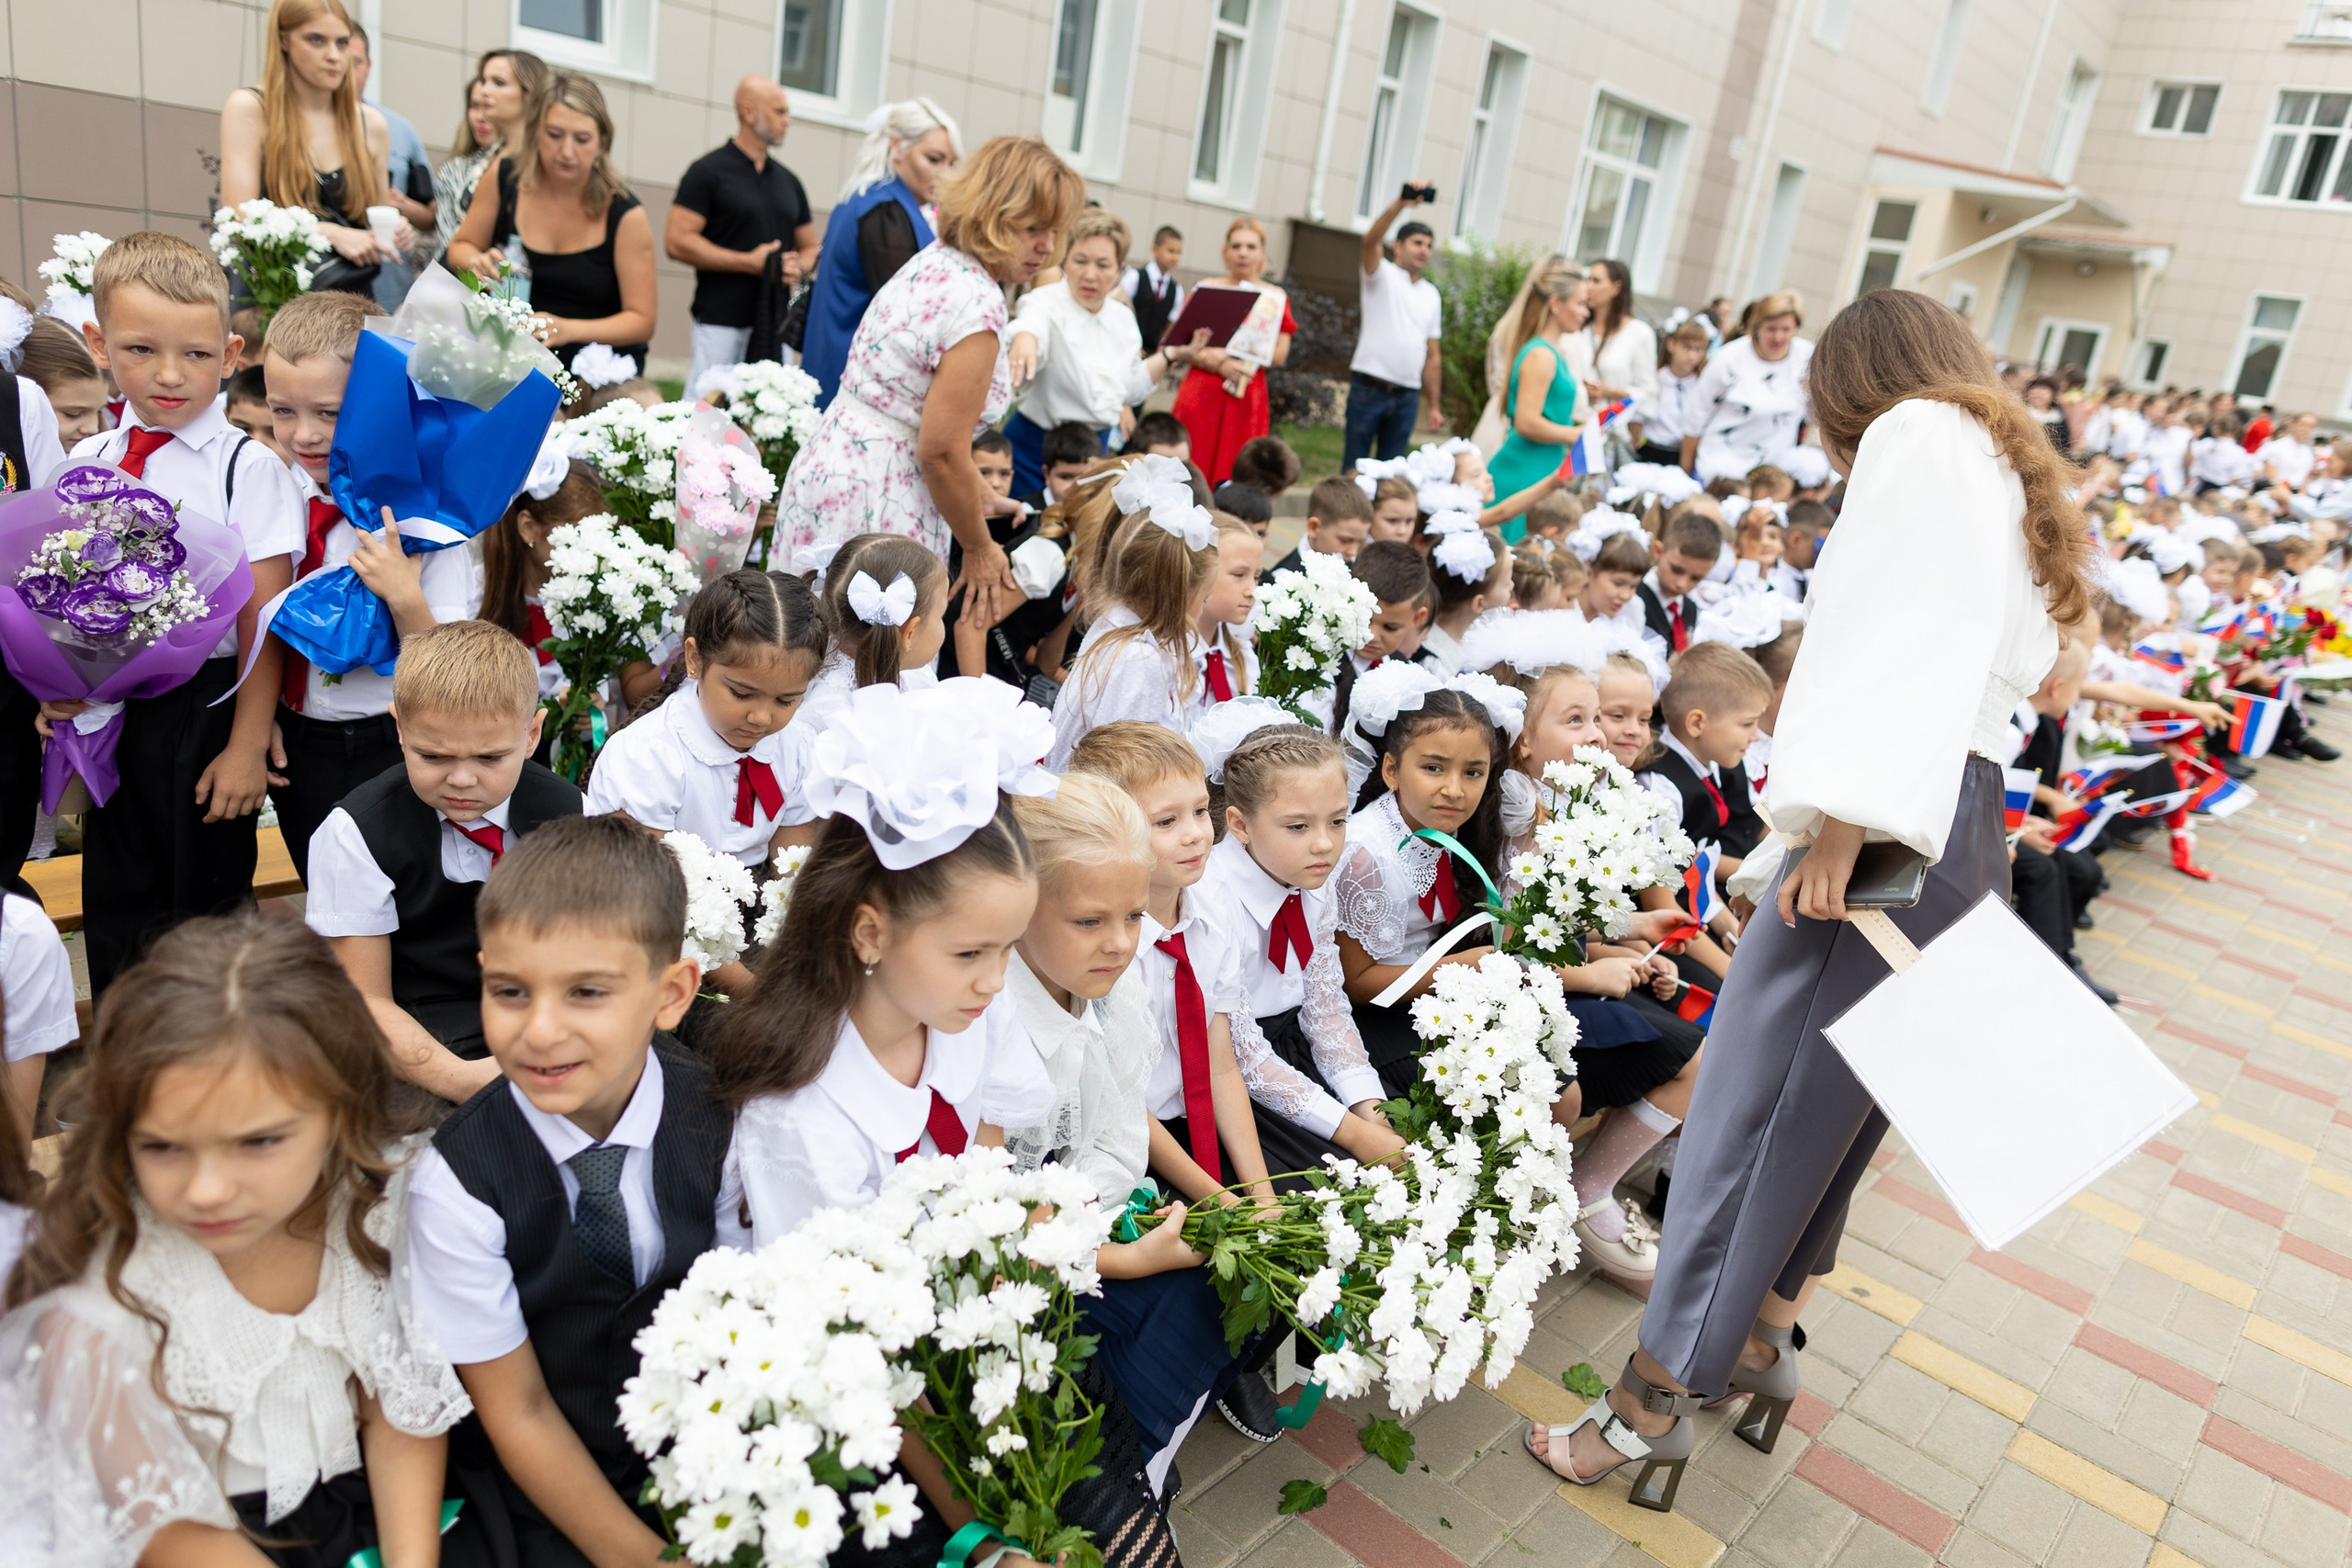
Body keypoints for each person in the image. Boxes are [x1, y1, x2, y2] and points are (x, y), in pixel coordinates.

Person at [1533, 289, 2086, 1512]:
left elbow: (1900, 638)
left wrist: (1841, 819)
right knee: (1835, 1118)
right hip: (1960, 820)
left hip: (1885, 818)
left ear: (1856, 380)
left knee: (1754, 1114)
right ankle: (1762, 1337)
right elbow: (2027, 663)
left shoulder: (1921, 435)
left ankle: (1650, 1404)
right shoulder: (1999, 458)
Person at [0, 915, 487, 1568]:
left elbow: (398, 1414)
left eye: (257, 1141)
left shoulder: (380, 1206)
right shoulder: (100, 1288)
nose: (206, 1189)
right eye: (163, 1146)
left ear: (339, 1110)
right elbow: (170, 1529)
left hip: (386, 1508)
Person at [402, 814, 721, 1567]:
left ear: (671, 994)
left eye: (586, 991)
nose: (540, 1030)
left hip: (708, 1443)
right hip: (542, 1476)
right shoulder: (458, 1179)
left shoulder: (722, 1116)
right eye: (509, 990)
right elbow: (520, 1409)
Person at [62, 232, 302, 997]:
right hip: (113, 714)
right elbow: (64, 592)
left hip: (205, 713)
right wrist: (61, 684)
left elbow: (262, 622)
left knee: (202, 914)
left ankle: (209, 1082)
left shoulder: (247, 466)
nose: (170, 375)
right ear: (99, 343)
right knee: (117, 899)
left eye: (197, 355)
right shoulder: (88, 459)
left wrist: (245, 741)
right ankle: (128, 1079)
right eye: (140, 349)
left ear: (233, 353)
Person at [778, 137, 1081, 625]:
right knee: (865, 670)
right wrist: (981, 549)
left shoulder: (939, 260)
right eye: (1031, 229)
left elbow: (910, 406)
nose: (1046, 247)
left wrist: (974, 494)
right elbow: (939, 451)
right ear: (990, 214)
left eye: (1054, 230)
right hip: (881, 497)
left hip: (835, 466)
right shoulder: (976, 305)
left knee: (804, 651)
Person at [264, 289, 484, 886]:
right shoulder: (274, 493)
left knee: (395, 890)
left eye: (329, 413)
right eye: (282, 410)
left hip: (390, 739)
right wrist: (264, 716)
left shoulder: (424, 519)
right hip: (300, 742)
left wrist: (402, 595)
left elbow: (449, 660)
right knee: (324, 888)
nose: (303, 434)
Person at [305, 619, 580, 1098]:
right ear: (399, 729)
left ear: (532, 734)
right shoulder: (354, 834)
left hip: (550, 1015)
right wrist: (465, 1081)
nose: (461, 780)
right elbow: (366, 1000)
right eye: (433, 757)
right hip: (419, 1032)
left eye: (490, 758)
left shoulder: (573, 813)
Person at [584, 570, 829, 886]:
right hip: (665, 898)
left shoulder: (795, 745)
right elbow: (644, 874)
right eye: (741, 694)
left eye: (786, 700)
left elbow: (791, 852)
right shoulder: (648, 754)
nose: (761, 718)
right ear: (694, 658)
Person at [447, 73, 656, 376]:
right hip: (510, 362)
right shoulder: (505, 178)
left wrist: (568, 329)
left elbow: (641, 321)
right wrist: (477, 261)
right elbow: (460, 247)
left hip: (595, 374)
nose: (567, 152)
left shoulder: (625, 214)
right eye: (555, 135)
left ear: (602, 143)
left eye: (582, 139)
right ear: (534, 134)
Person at [218, 0, 410, 297]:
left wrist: (396, 230)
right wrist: (330, 232)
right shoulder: (252, 108)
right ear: (284, 40)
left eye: (342, 43)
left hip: (348, 303)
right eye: (316, 40)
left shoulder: (371, 124)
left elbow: (375, 217)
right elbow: (238, 218)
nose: (334, 56)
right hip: (273, 301)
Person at [1004, 209, 1195, 493]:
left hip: (1095, 455)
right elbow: (1031, 326)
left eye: (1103, 265)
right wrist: (1024, 338)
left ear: (1119, 270)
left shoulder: (1122, 318)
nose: (1090, 275)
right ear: (1065, 261)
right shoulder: (1043, 302)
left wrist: (1171, 355)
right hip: (1036, 449)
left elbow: (1130, 387)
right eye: (1080, 261)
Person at [1046, 470, 1220, 769]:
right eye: (1203, 598)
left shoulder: (1116, 627)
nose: (1203, 608)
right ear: (1176, 595)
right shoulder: (1140, 660)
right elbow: (1120, 767)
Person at [801, 97, 964, 407]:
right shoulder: (885, 211)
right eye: (934, 159)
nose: (944, 174)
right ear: (897, 147)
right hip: (855, 377)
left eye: (950, 163)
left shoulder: (868, 196)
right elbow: (907, 312)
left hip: (840, 362)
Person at [668, 75, 820, 394]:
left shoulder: (789, 182)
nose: (787, 120)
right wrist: (748, 262)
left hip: (775, 321)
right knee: (705, 410)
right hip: (721, 320)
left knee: (769, 413)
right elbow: (677, 241)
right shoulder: (707, 172)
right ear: (749, 113)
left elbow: (810, 246)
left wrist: (798, 268)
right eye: (779, 111)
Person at [1170, 217, 1295, 485]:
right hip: (1202, 393)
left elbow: (1280, 353)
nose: (1243, 253)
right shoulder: (1207, 288)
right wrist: (1219, 364)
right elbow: (1180, 343)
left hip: (1245, 395)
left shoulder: (1275, 298)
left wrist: (1229, 353)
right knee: (1187, 470)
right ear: (1225, 251)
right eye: (1236, 245)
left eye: (1251, 246)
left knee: (1239, 470)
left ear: (1262, 252)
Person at [1342, 184, 1445, 475]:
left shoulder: (1431, 295)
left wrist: (1434, 405)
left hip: (1407, 398)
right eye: (1417, 243)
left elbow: (1433, 355)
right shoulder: (1381, 275)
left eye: (1428, 245)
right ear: (1398, 247)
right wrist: (1400, 204)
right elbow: (1369, 240)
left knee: (1391, 476)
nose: (1424, 250)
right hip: (1369, 389)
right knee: (1355, 470)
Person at [1487, 265, 1591, 536]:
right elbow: (1526, 422)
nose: (1586, 312)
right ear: (1556, 303)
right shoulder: (1541, 355)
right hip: (1526, 468)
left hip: (1542, 463)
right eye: (1580, 303)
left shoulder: (1549, 352)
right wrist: (1575, 434)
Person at [1680, 290, 1814, 482]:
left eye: (1786, 329)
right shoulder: (1728, 358)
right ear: (1757, 327)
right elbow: (1696, 416)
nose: (1778, 337)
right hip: (1720, 472)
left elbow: (1814, 416)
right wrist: (1686, 474)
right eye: (1771, 329)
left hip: (1772, 476)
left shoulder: (1807, 357)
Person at [346, 24, 435, 310]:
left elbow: (431, 213)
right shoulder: (295, 125)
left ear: (369, 66)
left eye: (355, 62)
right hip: (322, 282)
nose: (343, 68)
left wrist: (402, 211)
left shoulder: (400, 130)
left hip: (388, 285)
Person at [434, 50, 548, 253]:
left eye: (499, 83)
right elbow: (455, 246)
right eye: (484, 81)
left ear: (530, 92)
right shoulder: (486, 159)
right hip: (468, 278)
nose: (484, 91)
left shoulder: (547, 162)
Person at [1641, 503, 1728, 655]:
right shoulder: (1633, 598)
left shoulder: (1690, 609)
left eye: (1696, 578)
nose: (1682, 584)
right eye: (1676, 569)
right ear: (1658, 551)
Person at [1578, 258, 1658, 423]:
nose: (1588, 287)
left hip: (1609, 429)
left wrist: (1610, 391)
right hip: (1571, 424)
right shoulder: (1578, 328)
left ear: (1616, 288)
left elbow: (1648, 395)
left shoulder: (1639, 333)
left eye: (1596, 281)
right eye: (1587, 280)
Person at [1265, 473, 1374, 577]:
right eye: (1345, 540)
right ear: (1314, 527)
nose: (1353, 552)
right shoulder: (1284, 577)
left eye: (1360, 542)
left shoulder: (1355, 568)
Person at [1123, 224, 1185, 353]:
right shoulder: (1134, 277)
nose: (1174, 257)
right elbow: (1119, 311)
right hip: (1125, 347)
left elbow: (1169, 326)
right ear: (1155, 249)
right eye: (1170, 251)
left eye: (1178, 253)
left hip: (1151, 357)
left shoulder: (1177, 290)